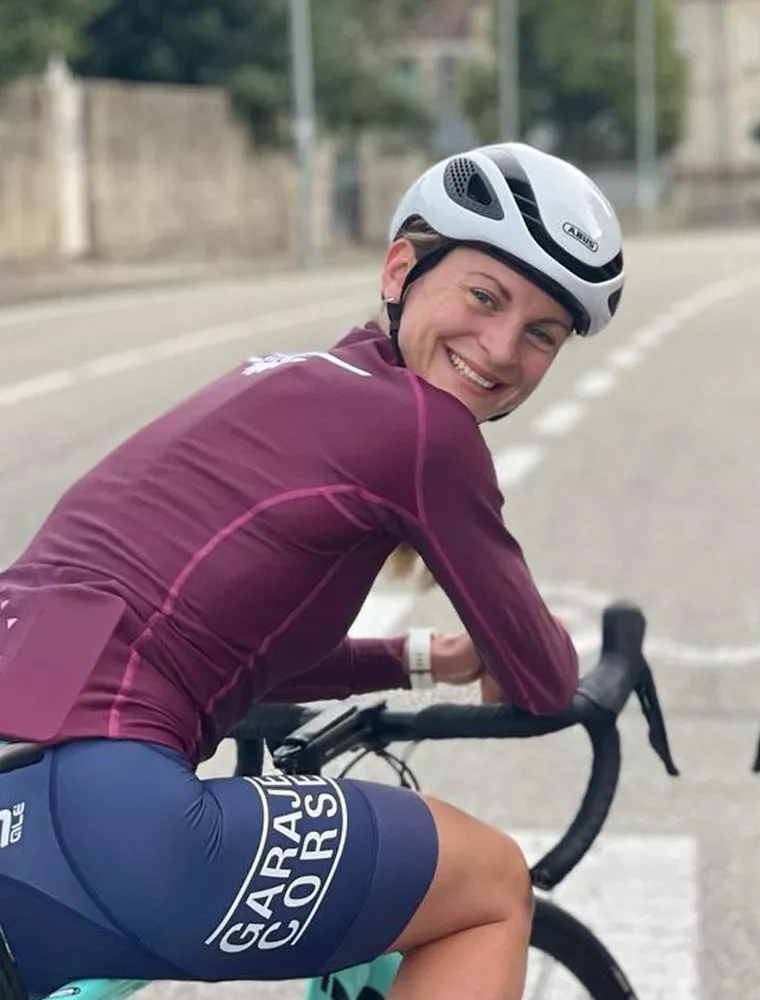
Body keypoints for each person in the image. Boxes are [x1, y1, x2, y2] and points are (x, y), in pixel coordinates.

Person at [0, 142, 625, 999]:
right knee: (487, 887)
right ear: (401, 268)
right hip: (115, 823)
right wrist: (545, 657)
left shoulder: (284, 382)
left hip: (24, 788)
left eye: (541, 334)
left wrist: (418, 660)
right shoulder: (426, 430)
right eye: (485, 297)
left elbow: (205, 646)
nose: (500, 347)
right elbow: (543, 680)